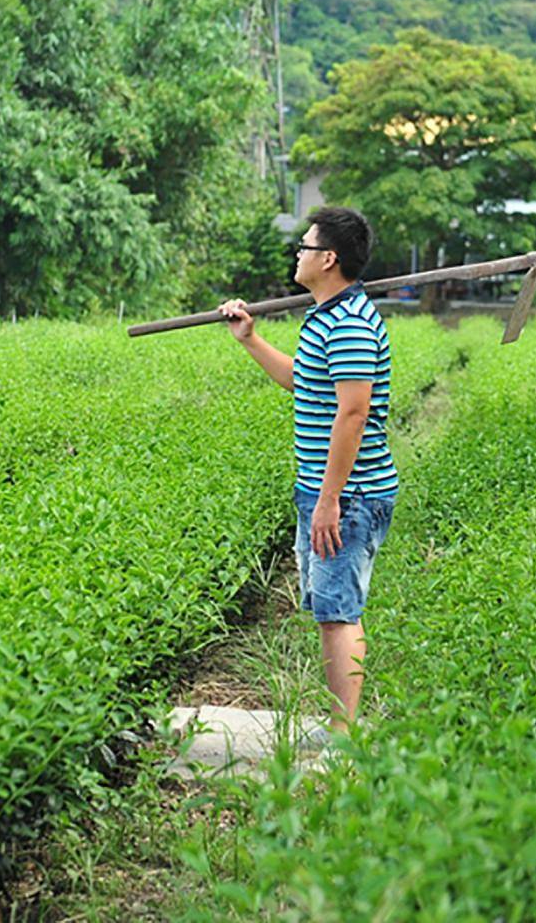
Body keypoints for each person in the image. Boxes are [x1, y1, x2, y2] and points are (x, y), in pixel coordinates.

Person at [217, 206, 397, 745]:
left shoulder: (350, 324)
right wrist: (250, 339)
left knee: (340, 611)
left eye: (304, 245)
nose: (297, 253)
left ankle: (343, 734)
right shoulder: (326, 317)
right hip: (328, 490)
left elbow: (353, 413)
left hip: (349, 494)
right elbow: (303, 381)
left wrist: (329, 499)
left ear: (328, 258)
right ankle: (338, 724)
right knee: (328, 609)